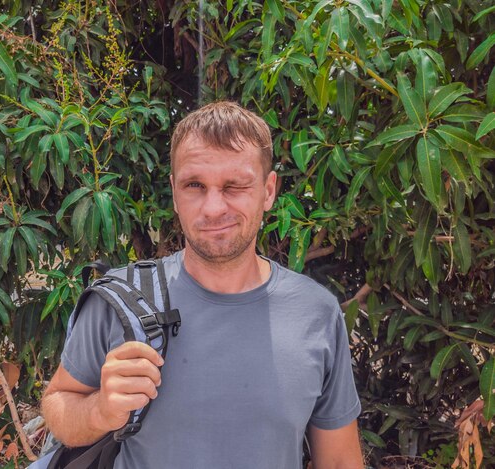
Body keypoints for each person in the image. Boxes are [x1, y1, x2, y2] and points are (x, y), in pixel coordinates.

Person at [42, 102, 364, 468]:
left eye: (235, 185)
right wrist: (99, 411)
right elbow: (58, 405)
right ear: (175, 193)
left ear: (268, 190)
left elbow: (339, 459)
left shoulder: (316, 311)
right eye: (195, 185)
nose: (213, 208)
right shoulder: (122, 301)